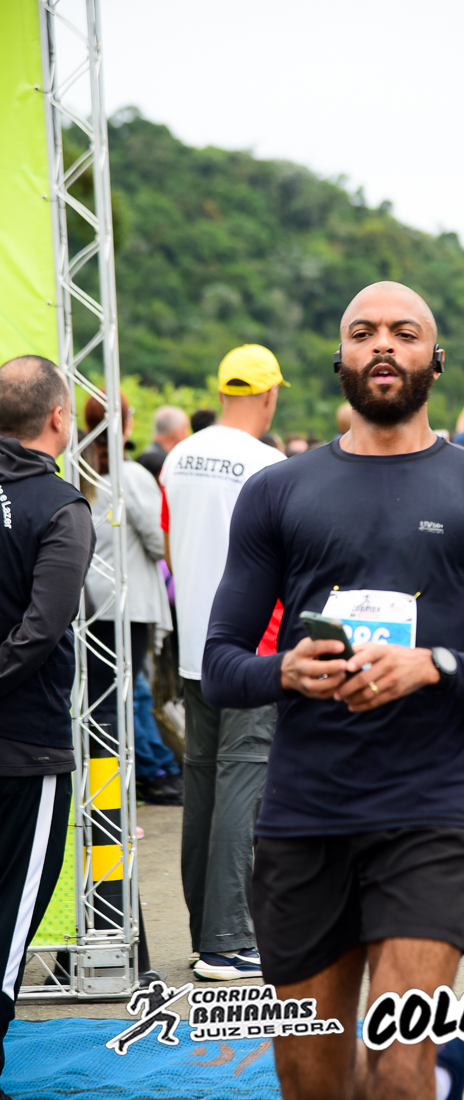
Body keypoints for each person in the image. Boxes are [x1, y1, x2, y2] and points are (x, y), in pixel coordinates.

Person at [202, 281, 464, 1100]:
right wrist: (284, 670)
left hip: (428, 815)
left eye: (404, 331)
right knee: (312, 1085)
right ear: (340, 358)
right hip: (302, 820)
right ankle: (447, 1065)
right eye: (363, 332)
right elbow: (219, 666)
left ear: (436, 359)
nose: (383, 344)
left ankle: (431, 1065)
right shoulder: (277, 490)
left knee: (394, 1075)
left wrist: (435, 664)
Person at [159, 343, 288, 982]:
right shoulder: (270, 465)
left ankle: (205, 934)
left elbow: (168, 547)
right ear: (268, 395)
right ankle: (229, 942)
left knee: (204, 790)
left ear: (223, 391)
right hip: (253, 649)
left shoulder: (178, 456)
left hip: (196, 649)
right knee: (243, 785)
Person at [0, 356, 95, 1087]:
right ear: (59, 418)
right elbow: (43, 628)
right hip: (25, 746)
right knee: (13, 913)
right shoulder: (62, 506)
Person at [82, 393, 178, 805]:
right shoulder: (131, 476)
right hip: (127, 606)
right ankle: (113, 808)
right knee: (117, 706)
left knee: (99, 705)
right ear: (125, 423)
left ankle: (104, 803)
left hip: (88, 603)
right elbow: (160, 541)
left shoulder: (80, 470)